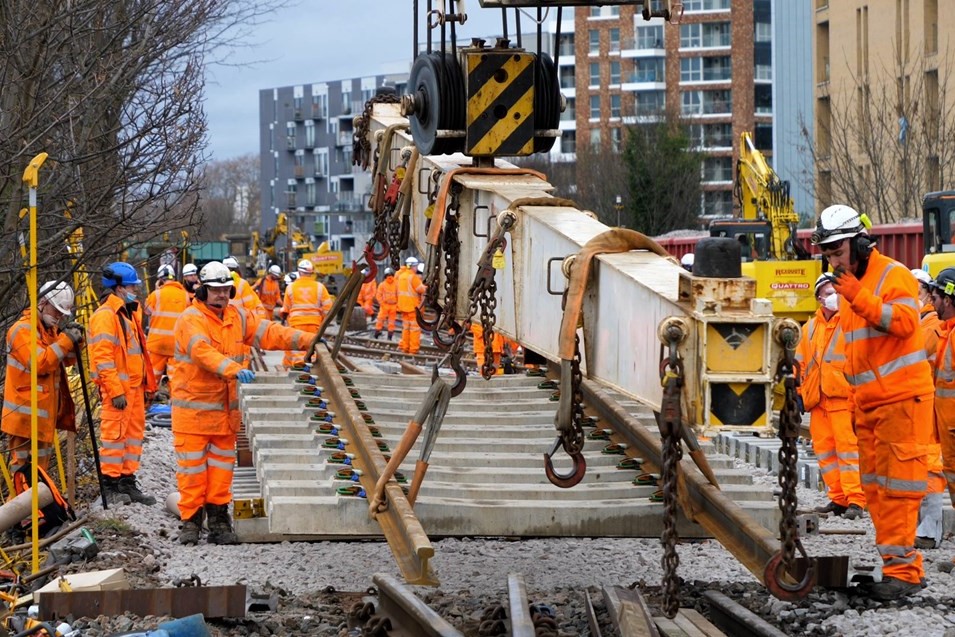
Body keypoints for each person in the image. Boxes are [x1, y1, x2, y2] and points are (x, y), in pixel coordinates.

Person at [813, 204, 933, 600]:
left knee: (897, 489)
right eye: (828, 254)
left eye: (836, 252)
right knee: (876, 490)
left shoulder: (891, 274)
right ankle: (897, 569)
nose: (832, 261)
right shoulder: (850, 291)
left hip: (900, 400)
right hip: (868, 405)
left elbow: (903, 322)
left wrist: (859, 296)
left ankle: (904, 573)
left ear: (861, 243)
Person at [171, 261, 315, 545]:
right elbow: (202, 352)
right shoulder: (190, 319)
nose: (222, 295)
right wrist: (233, 369)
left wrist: (309, 340)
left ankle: (218, 521)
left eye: (226, 290)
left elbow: (270, 333)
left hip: (225, 414)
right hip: (194, 415)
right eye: (215, 290)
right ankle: (190, 523)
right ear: (203, 291)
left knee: (221, 472)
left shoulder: (237, 316)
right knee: (193, 473)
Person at [796, 274, 865, 519]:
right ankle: (838, 499)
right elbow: (800, 364)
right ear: (818, 298)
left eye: (836, 291)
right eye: (828, 292)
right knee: (825, 453)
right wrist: (797, 394)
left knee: (848, 451)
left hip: (843, 399)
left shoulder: (849, 322)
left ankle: (856, 499)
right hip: (818, 401)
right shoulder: (810, 328)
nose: (833, 296)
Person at [89, 262, 158, 506]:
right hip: (118, 393)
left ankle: (127, 482)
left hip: (134, 390)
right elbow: (103, 359)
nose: (136, 290)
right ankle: (110, 485)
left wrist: (147, 386)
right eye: (131, 286)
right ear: (118, 288)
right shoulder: (106, 317)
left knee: (132, 437)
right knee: (114, 438)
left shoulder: (128, 314)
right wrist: (116, 391)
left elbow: (138, 354)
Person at [2, 282, 82, 473]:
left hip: (42, 421)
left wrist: (76, 342)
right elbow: (40, 363)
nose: (60, 317)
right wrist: (65, 341)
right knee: (23, 477)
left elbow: (63, 362)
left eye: (63, 313)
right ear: (43, 302)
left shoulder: (48, 331)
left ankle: (37, 505)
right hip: (23, 420)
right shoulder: (21, 330)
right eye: (57, 311)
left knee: (40, 477)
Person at [913, 268, 945, 550]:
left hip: (935, 410)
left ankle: (931, 529)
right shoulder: (927, 324)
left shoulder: (931, 326)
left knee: (933, 469)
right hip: (929, 408)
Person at [280, 258, 332, 368]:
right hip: (314, 324)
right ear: (311, 273)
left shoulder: (290, 287)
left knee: (298, 349)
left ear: (299, 272)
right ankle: (312, 369)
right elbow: (328, 308)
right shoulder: (320, 287)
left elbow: (285, 309)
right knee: (311, 347)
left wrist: (284, 319)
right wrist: (321, 320)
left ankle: (300, 370)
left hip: (296, 324)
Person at [144, 264, 188, 381]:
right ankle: (174, 399)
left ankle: (149, 397)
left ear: (160, 280)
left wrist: (156, 289)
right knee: (176, 379)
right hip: (177, 345)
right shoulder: (185, 296)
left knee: (151, 377)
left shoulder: (156, 294)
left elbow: (147, 311)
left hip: (157, 344)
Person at [396, 256, 426, 354]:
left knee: (406, 328)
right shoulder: (413, 277)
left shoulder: (401, 276)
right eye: (416, 266)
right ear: (412, 266)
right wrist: (428, 286)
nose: (417, 268)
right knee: (414, 329)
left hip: (403, 307)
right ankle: (413, 349)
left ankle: (405, 347)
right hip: (413, 308)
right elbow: (421, 289)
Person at [374, 268, 398, 340]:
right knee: (391, 322)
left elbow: (378, 296)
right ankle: (389, 337)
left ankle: (377, 333)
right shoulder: (396, 284)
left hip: (386, 305)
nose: (389, 277)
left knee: (380, 320)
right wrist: (397, 305)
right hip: (392, 305)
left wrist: (382, 303)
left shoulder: (382, 284)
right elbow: (399, 295)